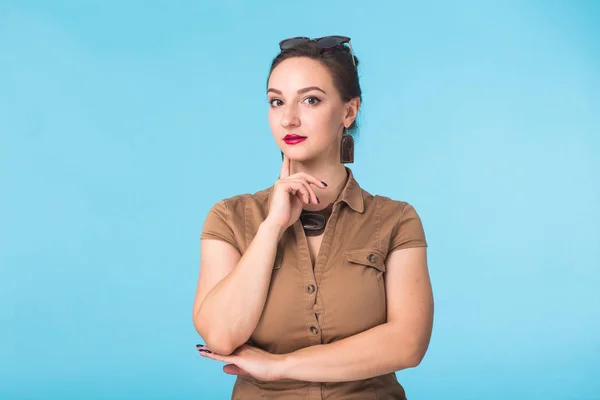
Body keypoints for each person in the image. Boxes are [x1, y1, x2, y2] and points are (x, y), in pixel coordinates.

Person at [192, 35, 434, 400]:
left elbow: (408, 344)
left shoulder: (396, 220)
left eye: (311, 100)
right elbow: (221, 336)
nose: (288, 118)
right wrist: (271, 227)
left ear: (348, 111)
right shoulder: (230, 217)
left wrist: (279, 367)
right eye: (276, 102)